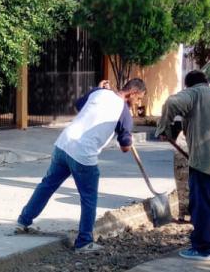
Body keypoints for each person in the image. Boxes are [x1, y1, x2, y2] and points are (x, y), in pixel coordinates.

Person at [16, 78, 147, 252]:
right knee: (89, 197)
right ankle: (84, 242)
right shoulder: (124, 112)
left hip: (63, 144)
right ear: (133, 93)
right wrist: (128, 137)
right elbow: (124, 147)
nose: (137, 103)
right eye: (138, 99)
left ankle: (23, 221)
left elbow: (80, 105)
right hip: (83, 154)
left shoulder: (99, 92)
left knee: (46, 185)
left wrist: (97, 90)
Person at [155, 71, 210, 262]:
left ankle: (202, 248)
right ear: (206, 82)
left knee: (201, 205)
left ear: (189, 85)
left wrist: (163, 128)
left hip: (205, 162)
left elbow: (172, 103)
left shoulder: (195, 93)